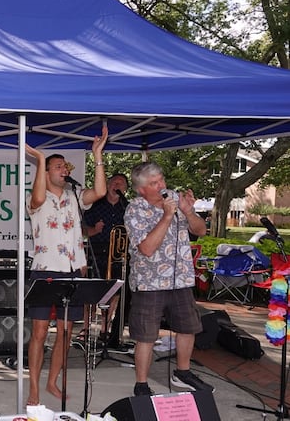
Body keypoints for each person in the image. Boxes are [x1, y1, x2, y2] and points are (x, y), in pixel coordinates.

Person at [24, 127, 107, 406]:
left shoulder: (73, 194)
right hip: (46, 269)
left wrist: (97, 155)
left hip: (73, 271)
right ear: (46, 173)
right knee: (38, 332)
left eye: (64, 166)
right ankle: (34, 388)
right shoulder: (36, 198)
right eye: (57, 167)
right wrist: (39, 160)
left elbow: (101, 191)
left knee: (66, 331)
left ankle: (52, 381)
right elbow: (36, 199)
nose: (64, 170)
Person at [124, 162, 214, 396]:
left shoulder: (174, 199)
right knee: (146, 335)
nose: (162, 185)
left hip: (181, 279)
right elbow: (146, 248)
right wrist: (166, 216)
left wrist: (188, 211)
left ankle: (183, 373)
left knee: (188, 327)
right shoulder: (135, 209)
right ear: (141, 189)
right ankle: (141, 384)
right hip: (149, 282)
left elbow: (200, 230)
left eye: (161, 179)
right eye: (154, 183)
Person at [82, 173, 129, 348]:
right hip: (97, 253)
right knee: (92, 292)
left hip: (118, 254)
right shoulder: (95, 205)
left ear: (125, 188)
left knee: (114, 292)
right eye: (114, 182)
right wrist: (94, 230)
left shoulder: (127, 207)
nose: (117, 185)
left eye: (121, 183)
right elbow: (82, 229)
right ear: (108, 185)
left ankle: (105, 329)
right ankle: (86, 330)